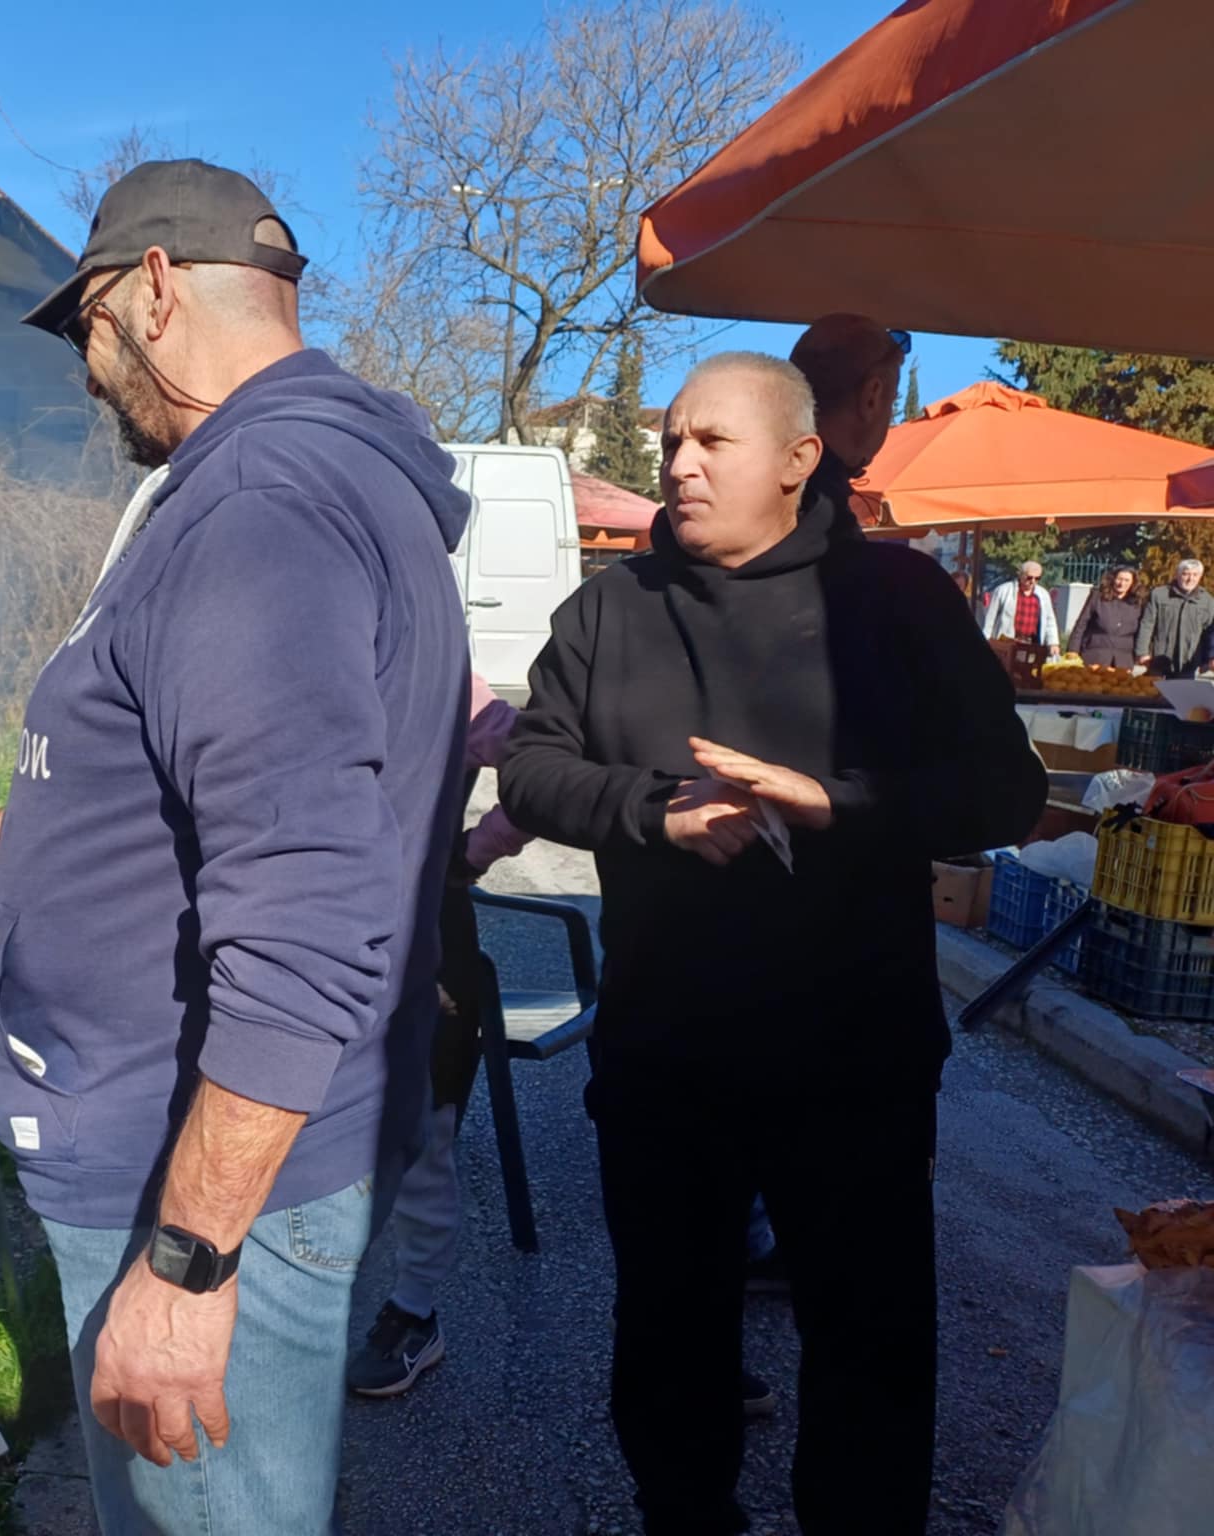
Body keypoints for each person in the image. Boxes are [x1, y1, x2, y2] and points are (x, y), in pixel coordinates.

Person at [0, 160, 471, 1536]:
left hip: (184, 1179)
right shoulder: (310, 485)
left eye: (83, 325)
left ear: (149, 287)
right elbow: (195, 786)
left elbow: (306, 916)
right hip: (199, 1150)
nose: (86, 371)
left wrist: (189, 1266)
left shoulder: (256, 508)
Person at [496, 352, 1046, 1535]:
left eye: (712, 443)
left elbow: (1004, 792)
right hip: (663, 1062)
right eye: (672, 441)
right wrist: (654, 811)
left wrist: (836, 804)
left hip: (854, 1062)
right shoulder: (612, 607)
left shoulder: (898, 603)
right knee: (666, 1333)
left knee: (869, 1338)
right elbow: (534, 768)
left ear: (800, 461)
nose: (677, 463)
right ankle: (684, 1515)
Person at [345, 673, 530, 1399]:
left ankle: (413, 1311)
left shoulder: (448, 682)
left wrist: (481, 847)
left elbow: (540, 757)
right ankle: (287, 1308)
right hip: (310, 936)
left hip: (428, 946)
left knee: (425, 1138)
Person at [788, 312, 907, 505]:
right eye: (891, 403)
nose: (890, 417)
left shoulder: (758, 477)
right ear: (871, 397)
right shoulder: (826, 518)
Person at [1139, 559, 1214, 677]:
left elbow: (1209, 633)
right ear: (1177, 574)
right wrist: (1142, 652)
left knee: (1182, 695)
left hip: (1188, 663)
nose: (1190, 579)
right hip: (1159, 659)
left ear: (1200, 577)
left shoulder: (1207, 601)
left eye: (1195, 575)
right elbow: (1147, 624)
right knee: (1154, 693)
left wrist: (1208, 659)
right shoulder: (1159, 595)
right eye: (1186, 574)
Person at [1066, 567, 1141, 669]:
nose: (1122, 583)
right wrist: (1073, 649)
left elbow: (1141, 631)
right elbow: (1081, 624)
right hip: (1095, 656)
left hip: (1123, 660)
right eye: (1119, 579)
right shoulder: (1097, 597)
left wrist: (1141, 654)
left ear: (1133, 583)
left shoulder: (1137, 603)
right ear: (1113, 579)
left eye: (1127, 580)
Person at [981, 561, 1061, 654]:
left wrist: (1053, 643)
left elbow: (1049, 621)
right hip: (1007, 644)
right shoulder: (1003, 591)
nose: (1033, 581)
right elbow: (990, 619)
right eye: (1029, 577)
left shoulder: (1043, 595)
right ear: (1020, 575)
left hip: (1032, 644)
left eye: (1037, 578)